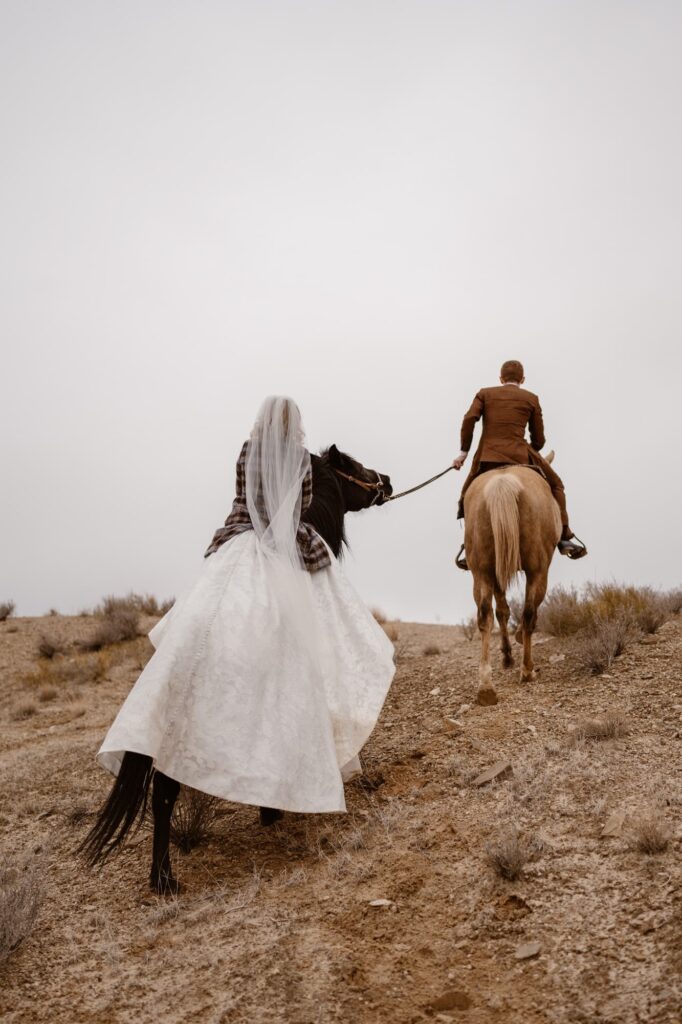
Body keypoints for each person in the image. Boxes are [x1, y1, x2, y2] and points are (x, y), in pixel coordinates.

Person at [96, 396, 395, 814]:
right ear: (296, 427)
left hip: (237, 542)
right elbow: (296, 513)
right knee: (314, 637)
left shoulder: (246, 452)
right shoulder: (302, 460)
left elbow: (246, 498)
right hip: (280, 546)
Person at [452, 360, 587, 570]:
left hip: (487, 458)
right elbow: (539, 440)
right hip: (520, 455)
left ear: (500, 378)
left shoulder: (484, 394)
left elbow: (470, 418)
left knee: (466, 496)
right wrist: (531, 450)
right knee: (557, 485)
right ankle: (564, 535)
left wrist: (463, 453)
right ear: (522, 380)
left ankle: (470, 544)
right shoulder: (531, 398)